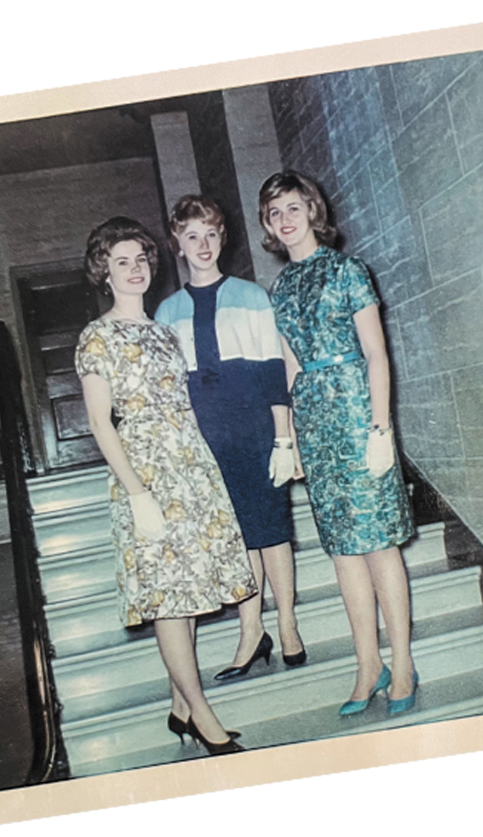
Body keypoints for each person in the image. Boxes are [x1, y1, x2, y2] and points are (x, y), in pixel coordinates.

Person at [75, 216, 257, 755]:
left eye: (141, 259)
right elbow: (101, 422)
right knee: (170, 600)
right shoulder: (98, 336)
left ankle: (179, 708)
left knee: (192, 589)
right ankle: (202, 713)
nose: (134, 270)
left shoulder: (162, 331)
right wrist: (136, 493)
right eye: (121, 262)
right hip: (145, 473)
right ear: (103, 273)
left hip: (190, 465)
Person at [259, 171, 418, 717]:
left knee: (377, 544)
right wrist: (288, 438)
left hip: (354, 407)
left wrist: (381, 428)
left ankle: (403, 664)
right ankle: (367, 665)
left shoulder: (349, 270)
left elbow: (376, 353)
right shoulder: (278, 290)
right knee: (343, 550)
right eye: (274, 212)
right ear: (269, 225)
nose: (285, 218)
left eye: (292, 206)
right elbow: (288, 363)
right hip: (314, 416)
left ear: (311, 208)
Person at [155, 195, 305, 681]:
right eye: (192, 235)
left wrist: (284, 439)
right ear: (177, 243)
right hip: (205, 435)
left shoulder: (250, 296)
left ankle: (286, 623)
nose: (203, 244)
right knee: (236, 534)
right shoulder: (167, 312)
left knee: (270, 529)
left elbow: (271, 372)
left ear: (223, 238)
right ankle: (250, 629)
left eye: (212, 234)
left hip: (253, 426)